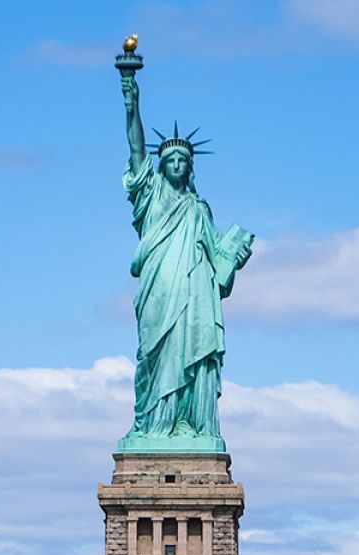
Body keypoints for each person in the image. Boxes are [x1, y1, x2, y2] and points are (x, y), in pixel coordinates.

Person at [116, 53, 253, 445]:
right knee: (155, 354)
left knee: (190, 353)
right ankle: (153, 426)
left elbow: (219, 268)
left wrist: (235, 256)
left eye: (182, 160)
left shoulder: (199, 209)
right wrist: (131, 100)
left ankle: (190, 425)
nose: (176, 164)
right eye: (170, 159)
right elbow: (136, 149)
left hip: (194, 298)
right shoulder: (153, 195)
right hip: (160, 289)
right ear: (162, 167)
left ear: (190, 168)